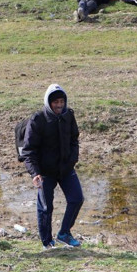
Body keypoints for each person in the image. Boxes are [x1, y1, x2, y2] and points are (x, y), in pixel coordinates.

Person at [21, 84, 84, 250]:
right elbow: (29, 151)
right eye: (55, 102)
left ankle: (64, 233)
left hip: (65, 168)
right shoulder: (38, 119)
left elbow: (74, 139)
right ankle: (47, 243)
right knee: (45, 207)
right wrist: (35, 173)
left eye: (62, 101)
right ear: (48, 102)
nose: (59, 105)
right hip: (45, 172)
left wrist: (72, 159)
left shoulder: (68, 116)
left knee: (77, 199)